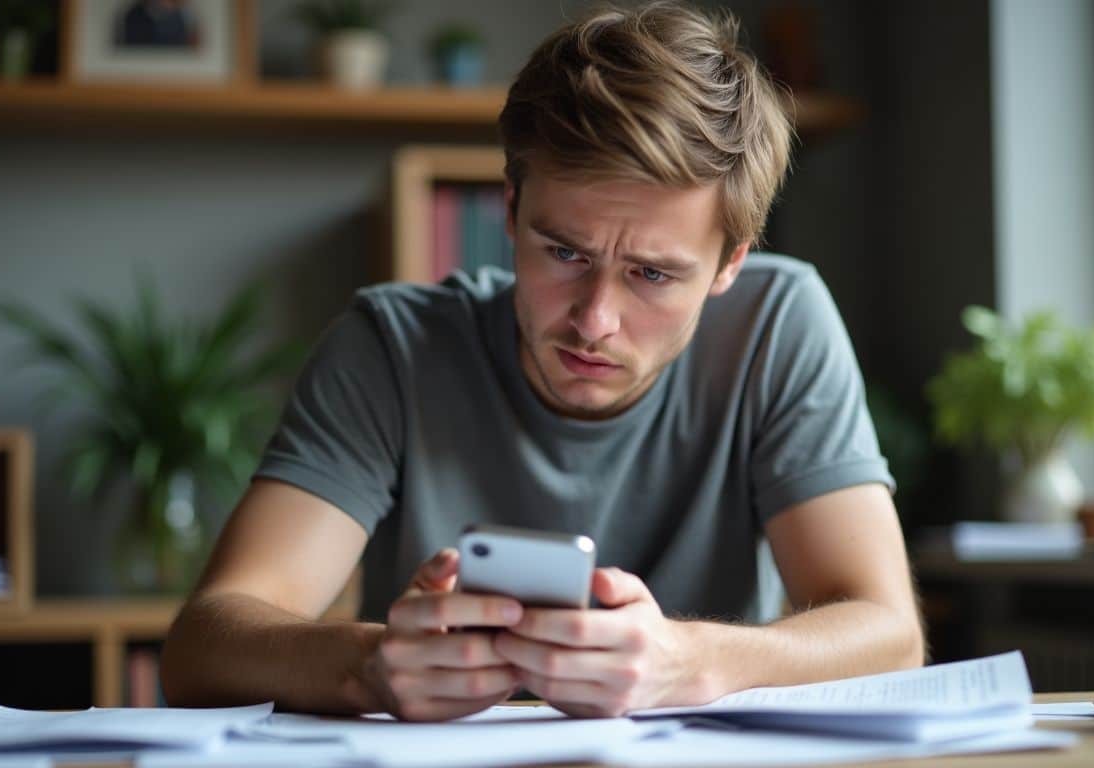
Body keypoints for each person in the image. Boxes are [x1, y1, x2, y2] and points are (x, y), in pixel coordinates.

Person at [161, 1, 923, 722]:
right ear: (511, 208)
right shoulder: (391, 348)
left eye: (652, 274)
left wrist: (691, 660)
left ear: (729, 264)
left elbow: (891, 636)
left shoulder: (776, 325)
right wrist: (369, 665)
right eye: (564, 252)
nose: (594, 321)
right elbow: (204, 643)